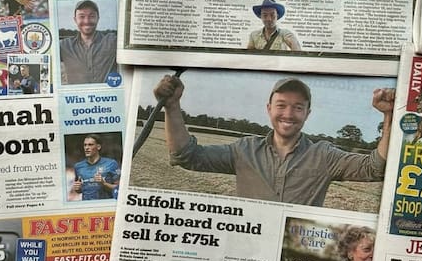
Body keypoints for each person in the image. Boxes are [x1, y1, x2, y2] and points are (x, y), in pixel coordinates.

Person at [155, 75, 393, 207]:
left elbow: (374, 168)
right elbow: (187, 156)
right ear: (269, 109)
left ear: (308, 114)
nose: (288, 114)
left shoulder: (324, 155)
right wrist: (172, 107)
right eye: (281, 105)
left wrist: (389, 115)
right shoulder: (244, 150)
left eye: (298, 107)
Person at [60, 0, 117, 85]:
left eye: (92, 16)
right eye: (82, 16)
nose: (87, 21)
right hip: (77, 97)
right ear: (75, 20)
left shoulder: (112, 41)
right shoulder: (64, 45)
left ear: (98, 18)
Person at [71, 134, 121, 200]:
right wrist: (77, 189)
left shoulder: (111, 163)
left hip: (105, 205)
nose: (86, 148)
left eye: (90, 145)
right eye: (85, 145)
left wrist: (104, 184)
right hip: (88, 206)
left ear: (98, 147)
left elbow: (120, 189)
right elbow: (80, 189)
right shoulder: (78, 166)